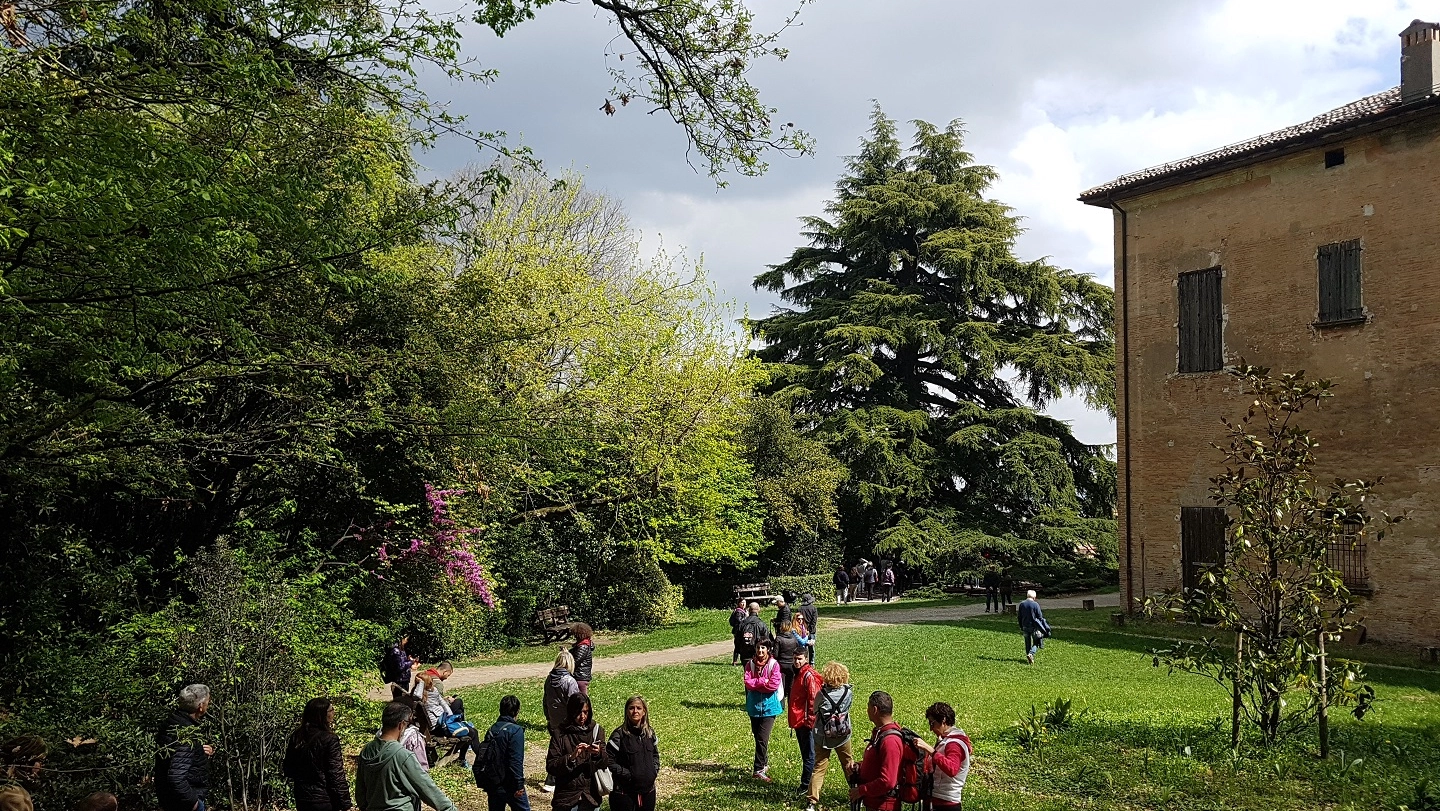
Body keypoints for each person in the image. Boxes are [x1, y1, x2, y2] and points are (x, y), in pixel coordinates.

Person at [356, 702, 457, 811]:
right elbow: (427, 788)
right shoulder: (401, 755)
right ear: (401, 725)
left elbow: (360, 794)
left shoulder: (366, 750)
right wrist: (449, 808)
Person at [283, 697, 354, 811]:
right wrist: (345, 804)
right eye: (331, 710)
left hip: (302, 797)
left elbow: (288, 769)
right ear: (322, 715)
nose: (333, 712)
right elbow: (336, 774)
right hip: (324, 799)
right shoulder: (330, 739)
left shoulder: (297, 735)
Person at [544, 694, 609, 811]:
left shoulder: (597, 730)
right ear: (571, 712)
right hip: (567, 798)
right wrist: (571, 757)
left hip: (590, 797)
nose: (582, 717)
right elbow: (551, 766)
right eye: (579, 712)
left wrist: (598, 753)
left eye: (586, 712)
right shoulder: (560, 733)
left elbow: (605, 762)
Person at [156, 684, 214, 811]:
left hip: (167, 797)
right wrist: (193, 802)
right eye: (207, 702)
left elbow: (174, 756)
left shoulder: (171, 722)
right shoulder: (187, 733)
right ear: (200, 706)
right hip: (184, 802)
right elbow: (176, 776)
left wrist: (198, 750)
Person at [805, 662, 854, 811]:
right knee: (848, 764)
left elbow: (814, 711)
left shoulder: (821, 694)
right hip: (843, 735)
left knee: (819, 768)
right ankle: (856, 793)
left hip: (823, 737)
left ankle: (812, 802)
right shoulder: (848, 692)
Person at [910, 703, 971, 811]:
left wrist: (930, 750)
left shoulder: (954, 744)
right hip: (937, 799)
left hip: (946, 803)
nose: (930, 729)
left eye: (932, 723)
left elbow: (952, 769)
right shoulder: (946, 740)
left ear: (943, 720)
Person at [849, 691, 903, 811]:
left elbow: (888, 781)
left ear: (874, 709)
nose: (866, 710)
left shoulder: (890, 741)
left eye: (868, 707)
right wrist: (859, 767)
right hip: (874, 803)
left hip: (883, 806)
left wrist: (861, 791)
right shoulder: (880, 734)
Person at [417, 663, 477, 767]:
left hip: (429, 724)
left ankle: (460, 724)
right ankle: (470, 759)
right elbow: (440, 703)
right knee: (471, 732)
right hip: (438, 726)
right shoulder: (435, 688)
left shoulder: (419, 693)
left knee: (459, 709)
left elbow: (439, 703)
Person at [606, 696, 659, 811]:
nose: (635, 711)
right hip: (624, 794)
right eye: (631, 708)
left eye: (639, 708)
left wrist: (654, 771)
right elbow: (608, 760)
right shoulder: (618, 735)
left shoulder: (650, 733)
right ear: (626, 711)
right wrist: (627, 774)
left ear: (644, 711)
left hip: (648, 792)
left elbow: (655, 755)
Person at [743, 640, 784, 783]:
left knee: (762, 738)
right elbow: (748, 682)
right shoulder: (750, 664)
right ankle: (764, 762)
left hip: (769, 708)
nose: (760, 651)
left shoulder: (774, 665)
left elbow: (773, 685)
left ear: (768, 649)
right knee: (757, 736)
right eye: (758, 647)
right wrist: (762, 682)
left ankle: (758, 769)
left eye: (763, 648)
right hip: (754, 707)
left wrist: (758, 683)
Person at [480, 695, 528, 811]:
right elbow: (515, 761)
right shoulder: (516, 731)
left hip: (493, 781)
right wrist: (519, 785)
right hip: (509, 783)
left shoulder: (492, 729)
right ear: (517, 711)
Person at [542, 649, 580, 793]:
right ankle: (555, 779)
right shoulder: (570, 681)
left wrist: (548, 718)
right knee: (570, 749)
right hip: (567, 722)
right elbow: (575, 703)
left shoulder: (549, 679)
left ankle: (552, 779)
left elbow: (545, 701)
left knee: (556, 750)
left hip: (554, 721)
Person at [787, 655, 822, 800]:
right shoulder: (798, 674)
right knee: (805, 754)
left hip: (806, 723)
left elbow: (814, 701)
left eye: (800, 659)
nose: (797, 661)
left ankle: (806, 785)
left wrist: (810, 722)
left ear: (806, 659)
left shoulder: (808, 676)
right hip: (798, 721)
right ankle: (808, 784)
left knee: (809, 755)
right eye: (795, 658)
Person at [772, 620, 810, 710]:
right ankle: (791, 704)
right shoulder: (794, 638)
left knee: (781, 686)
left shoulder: (778, 639)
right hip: (792, 664)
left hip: (781, 664)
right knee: (791, 687)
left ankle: (781, 705)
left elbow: (776, 654)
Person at [1018, 590, 1051, 664]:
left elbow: (1019, 616)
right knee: (1037, 642)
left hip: (1025, 626)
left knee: (1027, 642)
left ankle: (1028, 656)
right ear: (1034, 597)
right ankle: (1031, 653)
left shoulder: (1022, 604)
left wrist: (1021, 625)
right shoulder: (1035, 604)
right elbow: (1040, 617)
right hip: (1034, 627)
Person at [382, 633, 417, 700]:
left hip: (404, 679)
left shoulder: (401, 649)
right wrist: (411, 662)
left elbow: (402, 662)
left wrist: (408, 660)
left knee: (404, 698)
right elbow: (400, 666)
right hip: (399, 680)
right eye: (406, 639)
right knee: (400, 699)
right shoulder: (396, 651)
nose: (406, 641)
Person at [570, 624, 594, 695]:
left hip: (580, 677)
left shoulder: (583, 647)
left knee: (583, 699)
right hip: (580, 676)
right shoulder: (582, 645)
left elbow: (576, 661)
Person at [798, 593, 819, 659]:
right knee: (811, 647)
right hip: (811, 631)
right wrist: (810, 630)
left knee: (803, 647)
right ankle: (812, 662)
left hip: (802, 630)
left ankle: (804, 660)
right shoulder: (813, 608)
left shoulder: (800, 608)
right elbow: (814, 621)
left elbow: (798, 620)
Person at [729, 599, 748, 665]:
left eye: (744, 602)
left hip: (741, 630)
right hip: (738, 631)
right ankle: (735, 661)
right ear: (739, 603)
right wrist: (746, 617)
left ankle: (739, 660)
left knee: (742, 645)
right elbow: (739, 621)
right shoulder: (738, 612)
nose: (743, 604)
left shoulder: (744, 611)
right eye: (742, 602)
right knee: (738, 645)